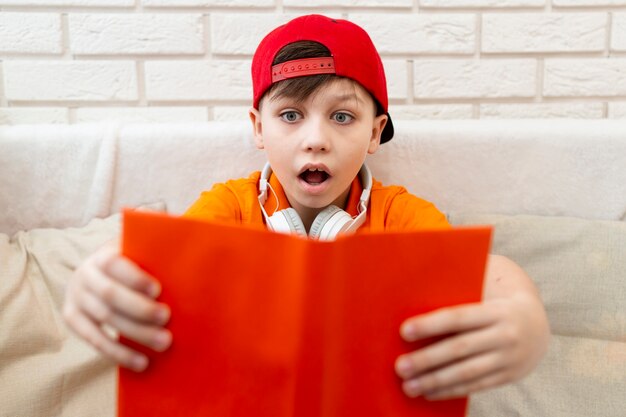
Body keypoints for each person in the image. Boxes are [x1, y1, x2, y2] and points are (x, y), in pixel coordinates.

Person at [63, 14, 549, 401]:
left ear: (376, 132)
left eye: (341, 116)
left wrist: (524, 316)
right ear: (258, 128)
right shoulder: (229, 205)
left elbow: (484, 270)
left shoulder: (400, 215)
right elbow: (161, 264)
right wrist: (105, 271)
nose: (315, 139)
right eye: (290, 116)